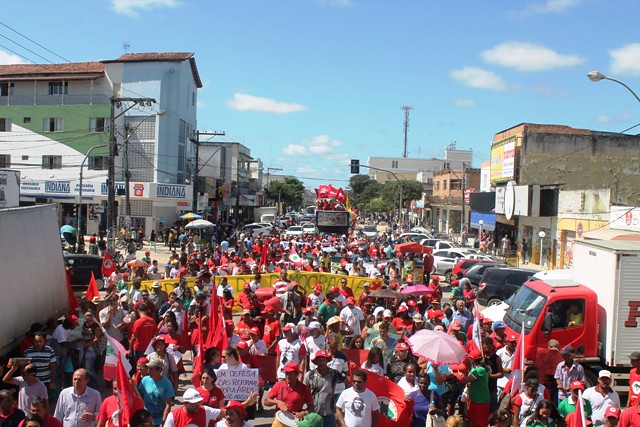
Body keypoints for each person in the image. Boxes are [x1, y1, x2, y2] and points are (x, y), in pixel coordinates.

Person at [303, 350, 342, 427]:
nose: (321, 363)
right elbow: (303, 392)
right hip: (313, 413)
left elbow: (348, 381)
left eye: (323, 360)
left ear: (327, 361)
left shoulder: (334, 373)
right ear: (316, 362)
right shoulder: (309, 375)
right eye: (319, 360)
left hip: (329, 413)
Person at [137, 358, 175, 426]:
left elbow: (168, 405)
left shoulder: (167, 384)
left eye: (151, 369)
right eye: (149, 369)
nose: (149, 371)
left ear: (159, 370)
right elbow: (138, 396)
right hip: (146, 422)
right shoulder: (145, 380)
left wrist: (163, 423)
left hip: (159, 421)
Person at [460, 349, 490, 427]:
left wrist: (460, 375)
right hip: (474, 400)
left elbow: (466, 379)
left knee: (480, 423)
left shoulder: (480, 370)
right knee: (472, 420)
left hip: (481, 401)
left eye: (470, 358)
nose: (469, 359)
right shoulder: (474, 368)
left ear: (473, 360)